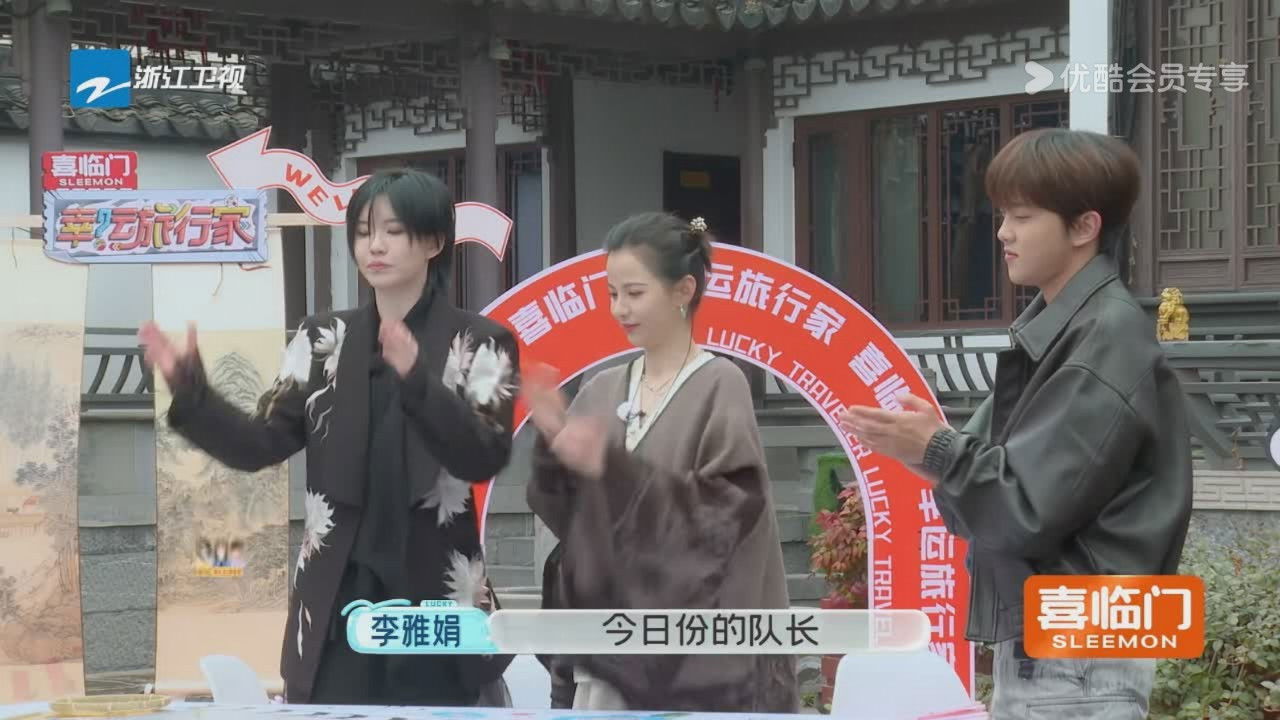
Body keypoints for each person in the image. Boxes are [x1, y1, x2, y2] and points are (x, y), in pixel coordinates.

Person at [839, 128, 1193, 718]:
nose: (1003, 232)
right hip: (1061, 643)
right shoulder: (1066, 329)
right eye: (1003, 215)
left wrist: (939, 450)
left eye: (1023, 217)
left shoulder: (1104, 337)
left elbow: (1026, 510)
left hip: (1079, 653)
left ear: (1084, 227)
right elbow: (991, 494)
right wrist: (927, 450)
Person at [139, 169, 519, 706]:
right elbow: (260, 444)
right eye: (363, 232)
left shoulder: (482, 340)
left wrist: (418, 381)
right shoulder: (322, 338)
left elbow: (483, 455)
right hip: (337, 598)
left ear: (434, 242)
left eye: (393, 231)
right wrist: (192, 393)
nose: (375, 246)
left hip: (436, 603)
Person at [523, 212, 799, 712]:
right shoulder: (603, 388)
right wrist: (554, 452)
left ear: (682, 290)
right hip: (609, 648)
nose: (620, 309)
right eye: (612, 294)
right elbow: (572, 523)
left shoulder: (720, 384)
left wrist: (610, 466)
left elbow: (725, 515)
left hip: (692, 660)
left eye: (634, 293)